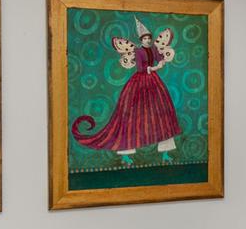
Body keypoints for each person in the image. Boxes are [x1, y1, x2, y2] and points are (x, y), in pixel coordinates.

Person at [73, 20, 181, 160]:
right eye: (145, 38)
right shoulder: (138, 51)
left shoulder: (153, 48)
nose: (148, 40)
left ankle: (165, 152)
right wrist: (154, 68)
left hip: (153, 82)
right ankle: (125, 154)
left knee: (161, 113)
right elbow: (141, 68)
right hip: (139, 83)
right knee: (130, 117)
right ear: (141, 40)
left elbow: (159, 57)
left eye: (149, 38)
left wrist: (162, 60)